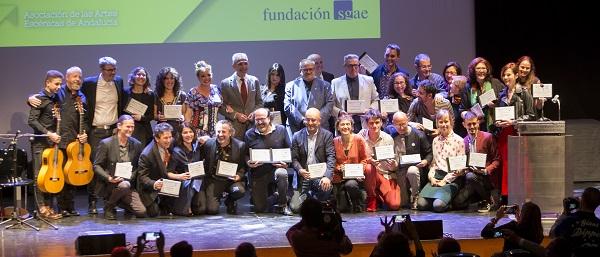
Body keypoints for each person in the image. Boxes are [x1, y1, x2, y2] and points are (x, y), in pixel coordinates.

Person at [492, 62, 535, 198]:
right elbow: (498, 114)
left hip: (518, 133)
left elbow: (531, 115)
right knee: (506, 164)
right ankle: (506, 195)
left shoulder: (524, 93)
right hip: (504, 134)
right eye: (504, 75)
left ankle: (521, 194)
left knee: (519, 164)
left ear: (516, 75)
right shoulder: (501, 94)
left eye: (508, 74)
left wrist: (513, 121)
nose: (505, 77)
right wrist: (497, 122)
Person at [28, 70, 64, 220]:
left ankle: (49, 207)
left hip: (52, 144)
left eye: (60, 84)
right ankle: (41, 208)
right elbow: (32, 121)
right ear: (47, 83)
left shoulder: (56, 99)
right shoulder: (39, 99)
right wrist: (48, 133)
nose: (58, 87)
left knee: (49, 176)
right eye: (56, 84)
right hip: (40, 144)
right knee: (39, 177)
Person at [94, 115, 146, 220]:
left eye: (132, 127)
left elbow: (137, 167)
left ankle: (119, 201)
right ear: (119, 126)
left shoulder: (136, 144)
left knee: (141, 212)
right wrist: (109, 178)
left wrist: (130, 177)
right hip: (110, 183)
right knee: (124, 185)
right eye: (127, 126)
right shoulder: (106, 143)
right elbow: (96, 166)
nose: (130, 129)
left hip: (127, 182)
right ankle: (109, 206)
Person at [245, 108, 292, 215]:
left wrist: (286, 163)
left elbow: (289, 150)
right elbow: (246, 154)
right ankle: (277, 195)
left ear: (269, 118)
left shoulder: (281, 130)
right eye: (257, 120)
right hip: (258, 172)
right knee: (260, 208)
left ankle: (282, 204)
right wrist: (248, 162)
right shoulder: (249, 134)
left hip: (276, 169)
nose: (260, 122)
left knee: (282, 173)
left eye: (262, 119)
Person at [55, 66, 89, 217]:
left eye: (80, 77)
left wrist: (84, 133)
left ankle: (71, 206)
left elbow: (86, 120)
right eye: (74, 76)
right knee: (62, 175)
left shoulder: (82, 97)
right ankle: (61, 207)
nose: (77, 80)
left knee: (72, 175)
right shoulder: (59, 92)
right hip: (60, 141)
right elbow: (43, 99)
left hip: (75, 142)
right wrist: (30, 98)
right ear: (67, 78)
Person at [417, 109, 465, 212]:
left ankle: (449, 202)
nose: (444, 125)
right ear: (437, 123)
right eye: (441, 122)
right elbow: (434, 163)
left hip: (452, 178)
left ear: (451, 122)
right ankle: (439, 198)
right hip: (437, 177)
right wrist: (431, 178)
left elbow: (459, 167)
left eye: (446, 121)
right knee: (421, 205)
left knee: (438, 206)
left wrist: (445, 181)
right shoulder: (435, 141)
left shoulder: (459, 141)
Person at [452, 111, 501, 213]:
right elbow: (463, 162)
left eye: (474, 123)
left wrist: (486, 170)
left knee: (470, 176)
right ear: (464, 125)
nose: (472, 126)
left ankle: (489, 199)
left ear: (478, 123)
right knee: (457, 203)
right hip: (471, 179)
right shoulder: (463, 142)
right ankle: (480, 201)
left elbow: (497, 160)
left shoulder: (488, 137)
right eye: (469, 124)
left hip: (486, 179)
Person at [289, 108, 335, 213]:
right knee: (295, 208)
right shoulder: (297, 136)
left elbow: (331, 157)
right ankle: (308, 198)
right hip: (303, 177)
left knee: (326, 187)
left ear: (319, 121)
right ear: (304, 120)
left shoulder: (327, 135)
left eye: (313, 120)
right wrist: (300, 170)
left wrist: (327, 177)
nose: (310, 123)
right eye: (307, 120)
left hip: (320, 176)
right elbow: (294, 159)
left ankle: (311, 199)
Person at [202, 120, 247, 215]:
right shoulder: (208, 144)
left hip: (232, 180)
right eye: (218, 131)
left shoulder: (240, 145)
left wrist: (239, 176)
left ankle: (230, 201)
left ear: (230, 133)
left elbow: (243, 166)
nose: (220, 134)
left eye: (224, 131)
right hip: (214, 180)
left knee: (239, 191)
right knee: (212, 210)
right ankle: (216, 197)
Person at [358, 109, 400, 211]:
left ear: (381, 122)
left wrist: (393, 165)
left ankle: (379, 195)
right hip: (368, 175)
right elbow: (358, 157)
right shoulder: (361, 136)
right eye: (371, 123)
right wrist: (369, 160)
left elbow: (394, 165)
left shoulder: (388, 138)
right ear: (367, 124)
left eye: (377, 122)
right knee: (369, 168)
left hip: (385, 175)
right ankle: (372, 198)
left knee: (395, 205)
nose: (374, 126)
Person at [389, 111, 432, 210]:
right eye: (398, 125)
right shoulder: (392, 136)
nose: (401, 127)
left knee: (412, 170)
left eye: (403, 124)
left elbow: (429, 153)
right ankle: (405, 198)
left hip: (415, 169)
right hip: (399, 170)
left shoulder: (419, 135)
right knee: (402, 203)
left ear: (408, 121)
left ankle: (415, 196)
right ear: (393, 124)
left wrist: (425, 161)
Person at [286, 198, 353, 257]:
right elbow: (347, 249)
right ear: (321, 215)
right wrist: (337, 223)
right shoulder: (332, 235)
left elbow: (290, 231)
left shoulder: (297, 237)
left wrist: (306, 218)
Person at [219, 53, 263, 139]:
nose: (243, 66)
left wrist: (254, 113)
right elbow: (221, 106)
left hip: (252, 125)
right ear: (234, 66)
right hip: (235, 127)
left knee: (252, 151)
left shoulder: (254, 80)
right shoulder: (226, 83)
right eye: (240, 64)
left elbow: (259, 102)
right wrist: (236, 115)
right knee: (236, 151)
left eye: (245, 63)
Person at [332, 112, 370, 213]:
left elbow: (365, 158)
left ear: (352, 126)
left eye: (348, 124)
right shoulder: (334, 142)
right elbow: (331, 160)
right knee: (342, 209)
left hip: (354, 178)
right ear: (338, 127)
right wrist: (339, 167)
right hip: (339, 177)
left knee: (351, 185)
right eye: (342, 124)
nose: (345, 127)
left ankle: (358, 201)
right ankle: (346, 199)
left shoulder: (358, 139)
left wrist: (359, 170)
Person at [284, 58, 334, 135]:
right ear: (300, 71)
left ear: (314, 70)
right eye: (305, 70)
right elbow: (288, 106)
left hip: (320, 127)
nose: (308, 72)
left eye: (311, 69)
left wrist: (315, 120)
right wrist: (302, 120)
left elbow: (329, 104)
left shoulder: (325, 85)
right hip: (296, 127)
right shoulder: (290, 86)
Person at [332, 54, 379, 133]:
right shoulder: (336, 82)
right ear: (345, 66)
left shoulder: (369, 80)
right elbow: (331, 105)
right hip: (345, 125)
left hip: (365, 123)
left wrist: (370, 110)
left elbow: (376, 100)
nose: (353, 68)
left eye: (355, 65)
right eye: (350, 66)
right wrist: (339, 112)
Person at [165, 123, 203, 216]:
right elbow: (168, 173)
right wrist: (179, 176)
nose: (188, 135)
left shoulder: (197, 146)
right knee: (189, 182)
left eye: (190, 132)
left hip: (199, 179)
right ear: (180, 135)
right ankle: (184, 207)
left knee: (202, 210)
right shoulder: (177, 151)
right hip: (185, 182)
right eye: (185, 132)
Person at [136, 122, 174, 217]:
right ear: (157, 138)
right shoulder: (146, 154)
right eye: (165, 138)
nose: (169, 140)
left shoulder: (171, 145)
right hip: (150, 190)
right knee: (154, 213)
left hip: (167, 187)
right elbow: (142, 177)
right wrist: (154, 184)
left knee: (174, 210)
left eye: (170, 137)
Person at [550, 187, 600, 256]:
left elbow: (553, 234)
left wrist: (565, 213)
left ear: (582, 200)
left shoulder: (570, 221)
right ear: (598, 204)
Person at [459, 57, 504, 132]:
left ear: (487, 70)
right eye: (478, 68)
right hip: (476, 127)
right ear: (473, 70)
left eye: (484, 68)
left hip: (495, 127)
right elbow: (462, 110)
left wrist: (495, 105)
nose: (481, 71)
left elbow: (504, 102)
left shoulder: (496, 83)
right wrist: (471, 116)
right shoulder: (468, 87)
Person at [185, 60, 222, 143]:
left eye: (209, 75)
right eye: (203, 76)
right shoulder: (193, 92)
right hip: (198, 131)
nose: (206, 78)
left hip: (215, 131)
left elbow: (221, 106)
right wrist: (188, 131)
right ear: (198, 77)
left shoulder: (216, 89)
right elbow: (188, 113)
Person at [124, 67, 155, 145]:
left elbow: (151, 116)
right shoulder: (125, 92)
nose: (141, 77)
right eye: (138, 74)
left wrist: (141, 118)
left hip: (144, 131)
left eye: (143, 75)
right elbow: (120, 112)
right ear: (133, 77)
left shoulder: (150, 94)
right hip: (128, 130)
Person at [155, 67, 186, 139]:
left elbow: (184, 114)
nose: (169, 81)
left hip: (178, 132)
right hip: (162, 133)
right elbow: (154, 115)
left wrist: (182, 117)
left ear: (176, 80)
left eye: (172, 78)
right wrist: (158, 117)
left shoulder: (181, 95)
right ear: (161, 81)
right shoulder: (156, 95)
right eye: (166, 78)